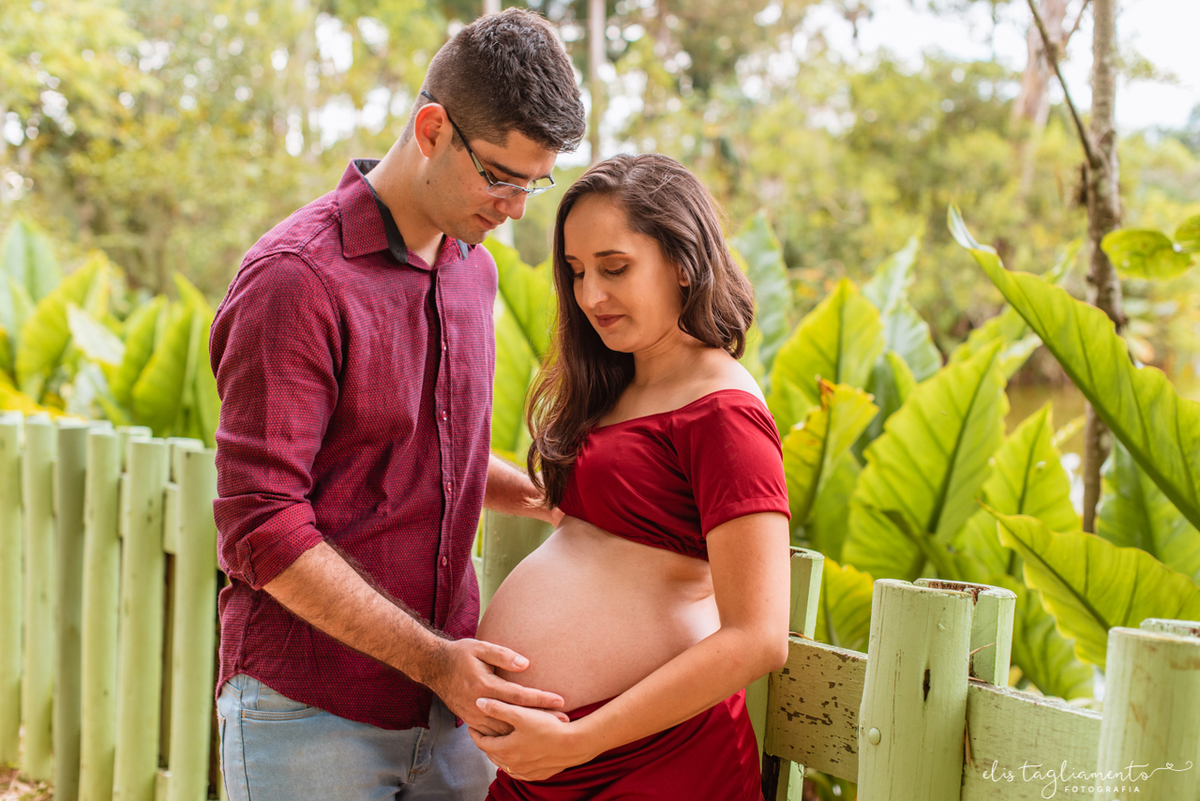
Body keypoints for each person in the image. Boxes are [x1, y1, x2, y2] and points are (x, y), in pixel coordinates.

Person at [207, 9, 586, 801]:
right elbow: (260, 524)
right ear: (431, 127)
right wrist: (436, 660)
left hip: (448, 715)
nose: (516, 207)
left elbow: (432, 456)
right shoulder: (294, 280)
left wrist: (551, 500)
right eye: (499, 175)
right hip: (307, 714)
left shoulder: (470, 270)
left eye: (534, 181)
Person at [468, 154, 792, 800]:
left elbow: (758, 637)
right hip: (550, 765)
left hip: (650, 761)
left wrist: (577, 740)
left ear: (683, 260)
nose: (590, 296)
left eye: (615, 268)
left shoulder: (724, 410)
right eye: (578, 272)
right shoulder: (616, 387)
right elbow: (605, 526)